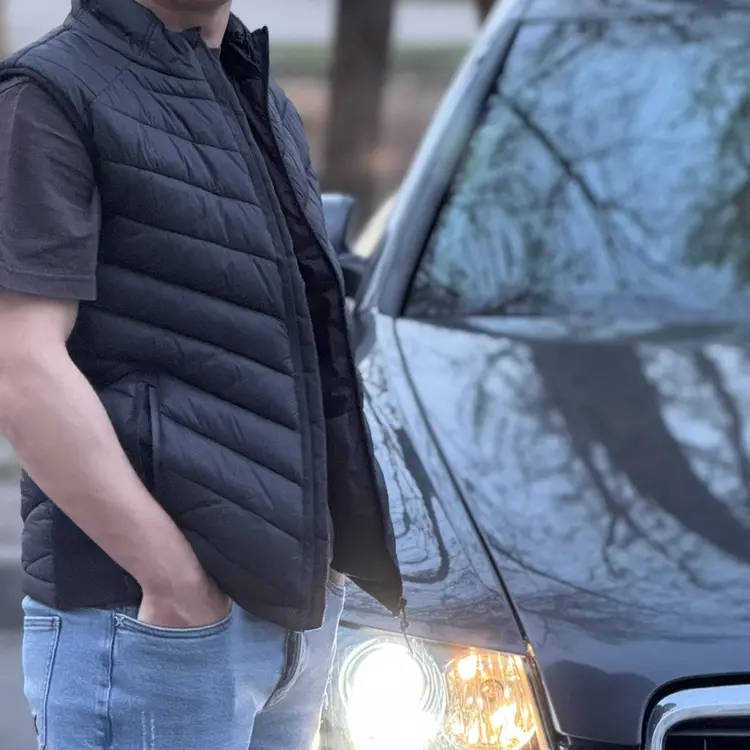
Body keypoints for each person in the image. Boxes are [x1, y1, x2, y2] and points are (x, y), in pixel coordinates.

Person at [0, 0, 404, 747]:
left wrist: (331, 557)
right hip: (147, 624)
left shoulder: (257, 95)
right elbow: (20, 365)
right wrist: (175, 587)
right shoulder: (48, 93)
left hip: (290, 622)